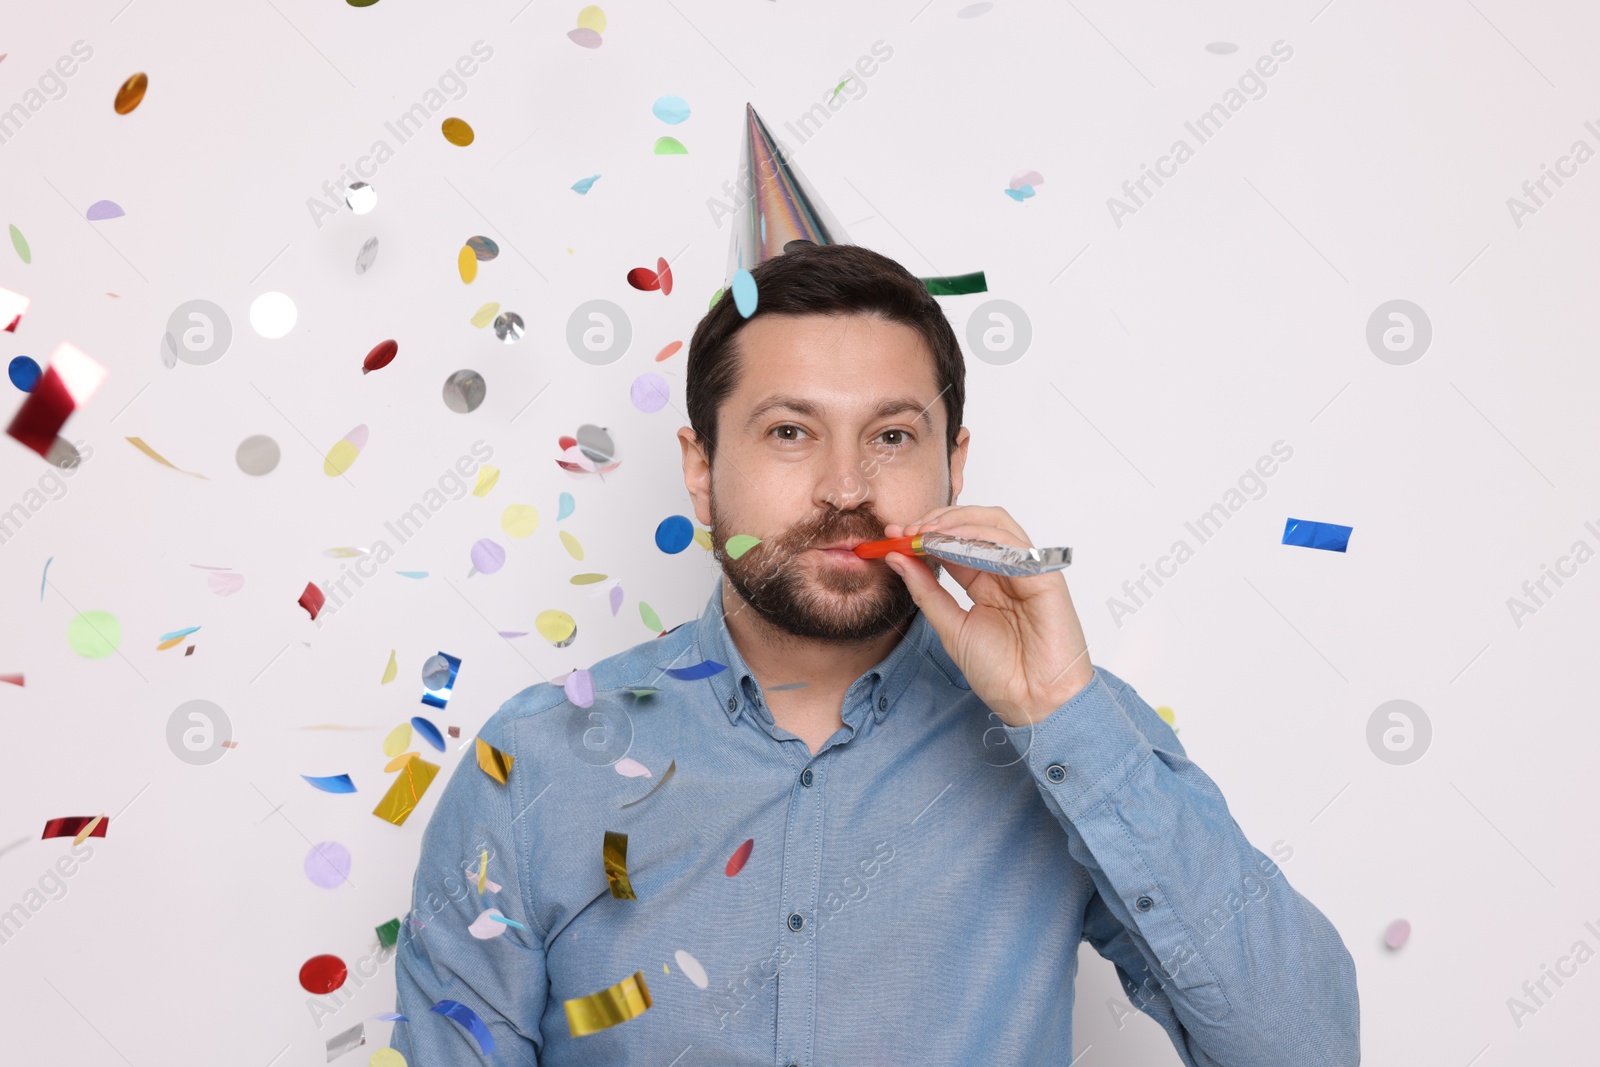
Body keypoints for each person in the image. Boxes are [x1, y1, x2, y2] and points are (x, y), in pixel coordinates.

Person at [391, 243, 1360, 1065]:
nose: (845, 485)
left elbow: (1306, 1045)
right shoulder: (535, 761)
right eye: (788, 432)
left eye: (891, 434)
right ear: (699, 467)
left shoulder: (1069, 732)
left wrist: (1058, 708)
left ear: (954, 466)